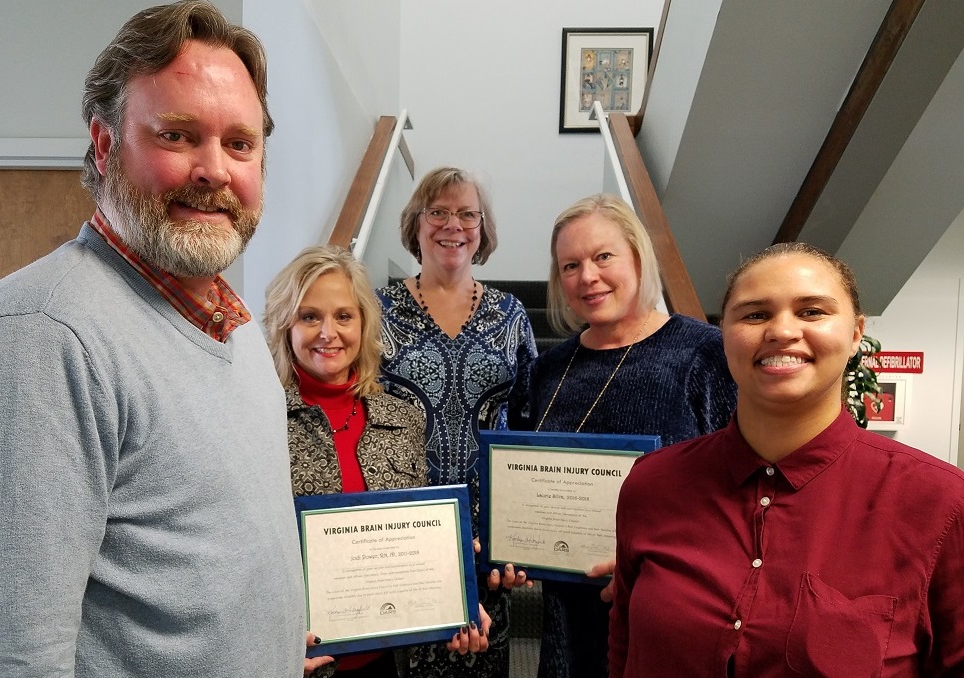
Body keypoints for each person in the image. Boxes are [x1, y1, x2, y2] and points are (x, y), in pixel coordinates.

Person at [0, 2, 307, 675]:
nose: (214, 170)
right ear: (104, 142)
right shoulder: (42, 338)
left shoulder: (229, 324)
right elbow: (10, 656)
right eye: (177, 136)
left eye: (240, 143)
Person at [609, 242, 964, 677]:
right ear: (724, 336)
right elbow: (624, 653)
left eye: (812, 311)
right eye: (755, 314)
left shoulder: (939, 501)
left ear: (855, 334)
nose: (781, 331)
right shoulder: (653, 483)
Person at [529, 194, 736, 678]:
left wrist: (659, 569)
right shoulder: (548, 370)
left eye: (604, 256)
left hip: (669, 611)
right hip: (568, 616)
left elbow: (740, 493)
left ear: (639, 258)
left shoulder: (704, 355)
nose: (588, 277)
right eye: (571, 265)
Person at [262, 245, 490, 677]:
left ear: (364, 324)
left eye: (344, 316)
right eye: (310, 316)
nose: (328, 332)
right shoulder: (258, 420)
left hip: (386, 661)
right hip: (294, 659)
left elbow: (416, 538)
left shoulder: (402, 418)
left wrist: (456, 596)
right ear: (284, 325)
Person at [377, 166, 537, 677]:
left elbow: (529, 422)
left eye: (468, 213)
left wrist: (519, 529)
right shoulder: (378, 311)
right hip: (405, 521)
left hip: (487, 528)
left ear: (483, 228)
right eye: (438, 212)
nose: (454, 225)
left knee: (484, 653)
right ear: (415, 225)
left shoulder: (511, 314)